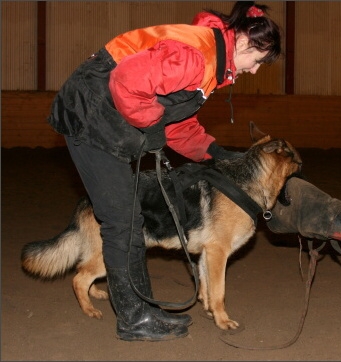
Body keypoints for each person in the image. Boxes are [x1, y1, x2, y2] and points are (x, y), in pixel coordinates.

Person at [48, 1, 281, 342]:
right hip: (89, 116)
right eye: (258, 61)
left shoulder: (212, 59)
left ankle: (142, 309)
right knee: (121, 220)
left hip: (105, 121)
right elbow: (128, 81)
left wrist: (213, 151)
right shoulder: (197, 55)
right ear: (246, 42)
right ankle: (132, 319)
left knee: (130, 217)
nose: (256, 70)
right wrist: (150, 122)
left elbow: (178, 118)